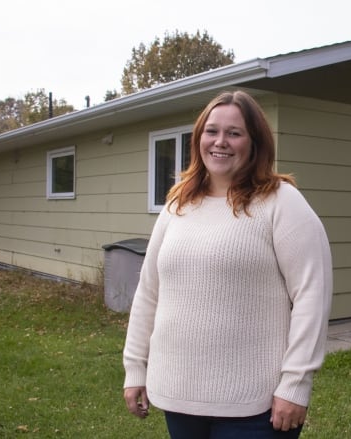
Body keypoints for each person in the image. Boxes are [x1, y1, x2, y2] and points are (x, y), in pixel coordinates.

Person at [123, 90, 333, 438]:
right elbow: (149, 293)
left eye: (234, 133)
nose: (220, 142)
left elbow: (313, 294)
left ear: (255, 142)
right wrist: (135, 369)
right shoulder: (178, 204)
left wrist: (296, 383)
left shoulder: (281, 202)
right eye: (211, 131)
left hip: (255, 406)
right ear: (198, 139)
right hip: (180, 396)